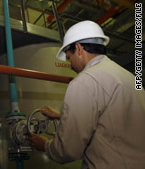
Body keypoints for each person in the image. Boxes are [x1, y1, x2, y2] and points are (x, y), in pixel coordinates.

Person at [29, 20, 145, 169]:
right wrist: (61, 115)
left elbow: (67, 150)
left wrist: (45, 145)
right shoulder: (131, 78)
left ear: (78, 48)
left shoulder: (84, 81)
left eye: (69, 57)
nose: (70, 65)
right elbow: (115, 116)